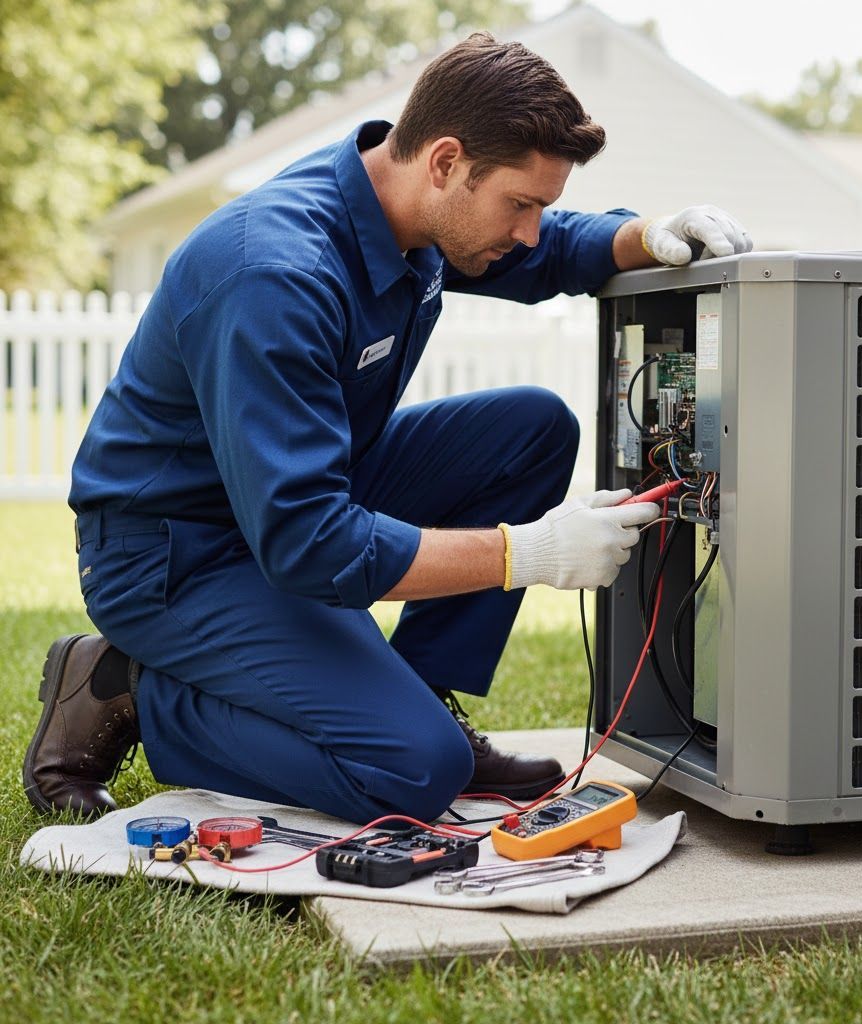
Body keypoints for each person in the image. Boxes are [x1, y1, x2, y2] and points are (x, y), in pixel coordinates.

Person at [23, 32, 752, 823]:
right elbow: (309, 543)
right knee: (412, 774)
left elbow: (543, 258)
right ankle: (129, 689)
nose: (532, 229)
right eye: (522, 204)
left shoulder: (411, 213)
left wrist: (642, 235)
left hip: (289, 499)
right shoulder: (275, 273)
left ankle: (419, 697)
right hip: (174, 557)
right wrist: (529, 553)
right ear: (444, 162)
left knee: (532, 430)